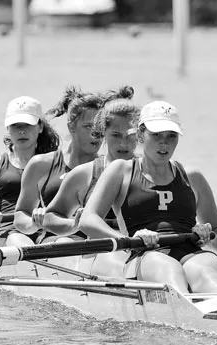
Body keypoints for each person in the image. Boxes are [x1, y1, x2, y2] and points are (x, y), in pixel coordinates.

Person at [79, 101, 217, 294]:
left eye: (171, 136)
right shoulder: (121, 171)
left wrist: (206, 239)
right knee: (171, 276)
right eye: (156, 135)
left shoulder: (193, 176)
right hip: (145, 254)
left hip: (190, 251)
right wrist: (126, 239)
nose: (164, 143)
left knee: (209, 276)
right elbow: (87, 220)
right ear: (141, 135)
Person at [11, 86, 131, 244]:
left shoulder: (108, 168)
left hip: (95, 245)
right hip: (55, 241)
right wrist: (35, 222)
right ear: (71, 126)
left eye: (100, 127)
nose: (96, 133)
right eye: (88, 126)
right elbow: (20, 215)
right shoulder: (41, 164)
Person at [35, 97, 140, 275]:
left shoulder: (151, 172)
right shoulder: (84, 174)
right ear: (103, 133)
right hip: (101, 254)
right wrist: (74, 225)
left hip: (142, 250)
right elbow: (50, 217)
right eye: (116, 135)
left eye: (130, 135)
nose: (124, 143)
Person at [0, 95, 60, 243]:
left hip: (47, 231)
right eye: (15, 125)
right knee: (19, 241)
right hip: (8, 232)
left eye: (27, 125)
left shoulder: (55, 163)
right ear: (8, 128)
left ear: (40, 127)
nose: (21, 131)